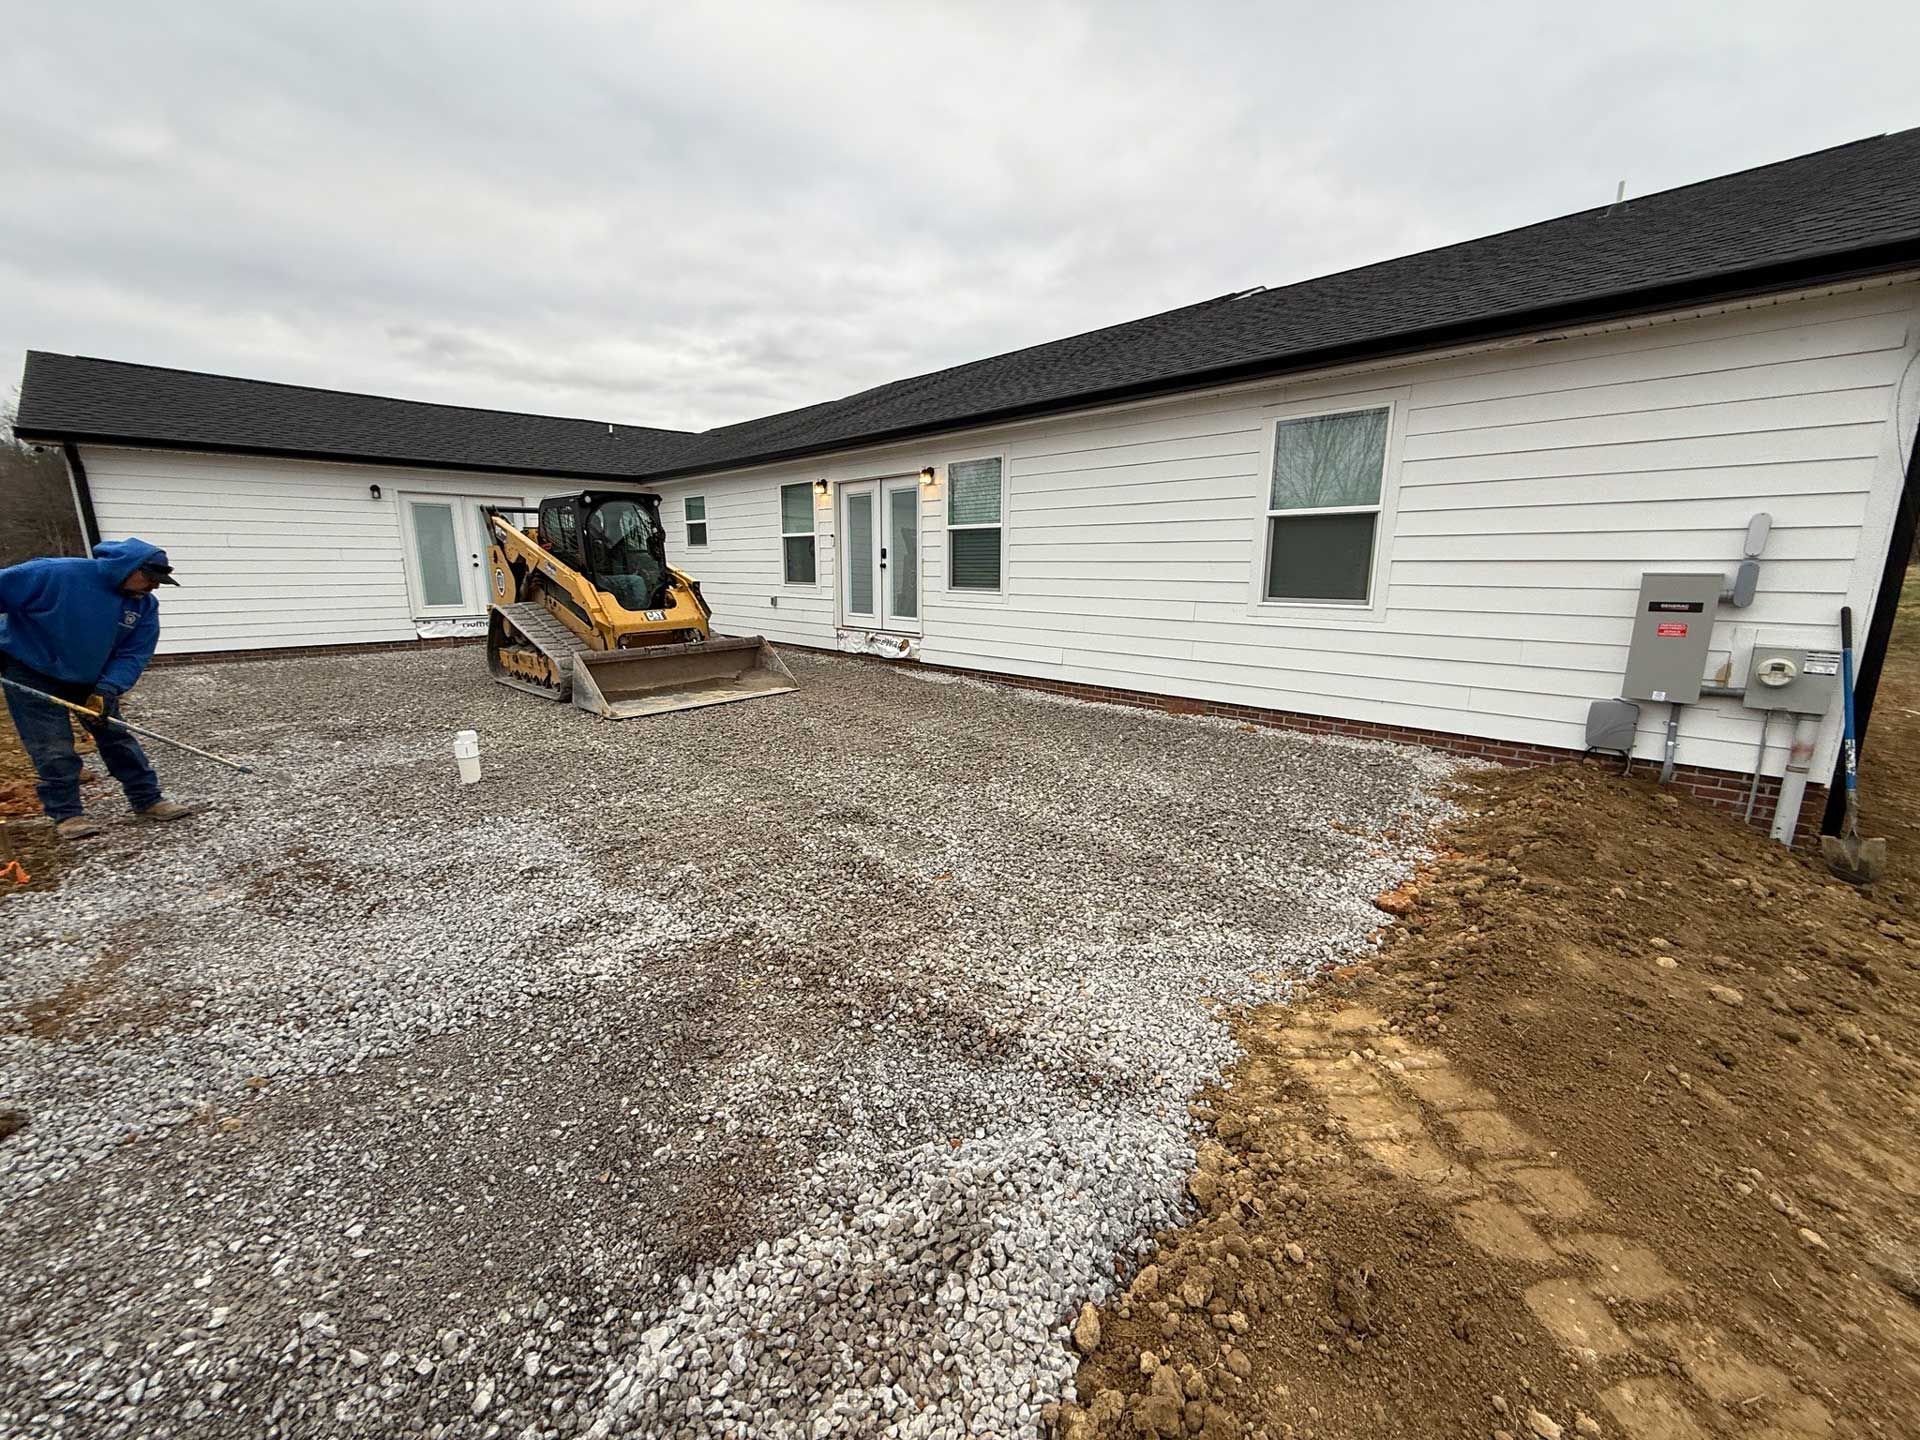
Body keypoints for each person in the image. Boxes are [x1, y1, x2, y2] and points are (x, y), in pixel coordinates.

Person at [0, 537, 197, 839]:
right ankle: (68, 815)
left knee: (116, 738)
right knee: (52, 746)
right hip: (31, 670)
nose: (153, 587)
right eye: (149, 579)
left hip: (92, 679)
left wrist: (108, 689)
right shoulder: (54, 574)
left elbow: (134, 653)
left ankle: (147, 799)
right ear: (127, 568)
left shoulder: (143, 606)